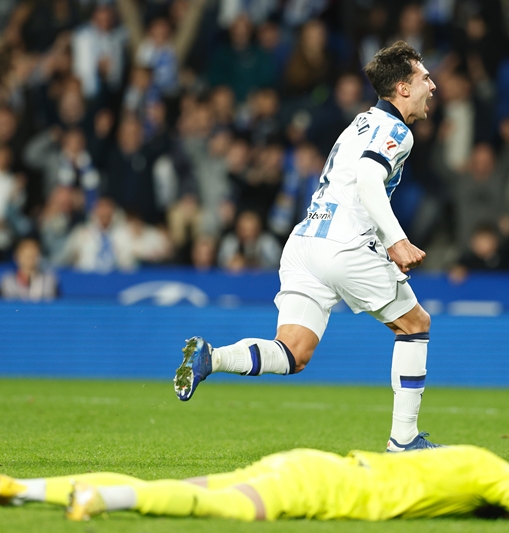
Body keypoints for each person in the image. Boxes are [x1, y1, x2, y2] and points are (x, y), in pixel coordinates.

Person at [174, 41, 439, 452]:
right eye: (424, 78)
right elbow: (368, 181)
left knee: (292, 353)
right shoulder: (397, 131)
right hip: (344, 245)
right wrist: (397, 241)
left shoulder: (361, 122)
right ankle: (403, 441)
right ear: (403, 88)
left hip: (305, 242)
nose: (432, 86)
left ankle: (213, 357)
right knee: (415, 324)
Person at [0, 445, 509, 524]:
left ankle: (15, 486)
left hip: (309, 461)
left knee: (173, 481)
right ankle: (104, 499)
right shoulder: (488, 473)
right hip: (322, 490)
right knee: (221, 509)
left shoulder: (461, 458)